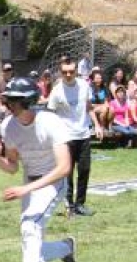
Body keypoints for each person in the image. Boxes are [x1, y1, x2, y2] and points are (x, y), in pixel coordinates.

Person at [0, 77, 78, 262]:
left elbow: (64, 168)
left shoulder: (50, 122)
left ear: (28, 101)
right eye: (7, 100)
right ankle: (66, 247)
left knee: (30, 227)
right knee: (30, 236)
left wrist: (25, 189)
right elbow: (13, 166)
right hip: (30, 182)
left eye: (14, 100)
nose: (8, 105)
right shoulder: (9, 126)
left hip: (53, 182)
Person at [46, 57, 101, 217]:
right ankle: (69, 205)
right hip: (65, 137)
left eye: (71, 71)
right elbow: (50, 114)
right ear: (60, 72)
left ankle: (80, 204)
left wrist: (96, 124)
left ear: (76, 71)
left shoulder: (84, 85)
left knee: (84, 169)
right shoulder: (56, 91)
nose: (68, 75)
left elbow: (88, 107)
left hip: (83, 134)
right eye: (64, 72)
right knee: (67, 172)